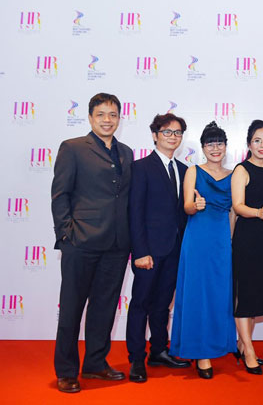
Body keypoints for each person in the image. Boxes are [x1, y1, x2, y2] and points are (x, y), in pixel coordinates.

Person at [51, 93, 133, 393]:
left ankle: (96, 363)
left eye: (113, 114)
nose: (107, 120)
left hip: (117, 244)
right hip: (81, 242)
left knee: (105, 308)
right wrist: (66, 235)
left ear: (119, 118)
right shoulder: (72, 148)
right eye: (101, 114)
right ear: (90, 118)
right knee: (72, 310)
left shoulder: (126, 152)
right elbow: (60, 195)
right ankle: (66, 370)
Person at [126, 113, 191, 383]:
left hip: (175, 249)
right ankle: (136, 359)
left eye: (177, 133)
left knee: (163, 304)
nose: (172, 137)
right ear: (155, 135)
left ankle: (159, 351)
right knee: (141, 304)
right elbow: (135, 212)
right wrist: (140, 251)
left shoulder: (185, 170)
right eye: (167, 132)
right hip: (149, 251)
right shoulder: (141, 167)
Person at [169, 122, 237, 379]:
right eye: (210, 144)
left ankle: (219, 344)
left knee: (219, 294)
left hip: (221, 241)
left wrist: (229, 240)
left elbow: (233, 211)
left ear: (226, 147)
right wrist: (195, 205)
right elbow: (186, 206)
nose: (215, 148)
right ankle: (200, 353)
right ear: (203, 147)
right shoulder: (193, 171)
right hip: (197, 238)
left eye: (219, 143)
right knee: (197, 294)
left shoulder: (233, 174)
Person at [231, 120, 263, 375]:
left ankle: (242, 345)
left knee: (257, 295)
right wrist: (258, 212)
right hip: (247, 240)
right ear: (249, 144)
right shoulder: (242, 169)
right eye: (257, 140)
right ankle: (249, 350)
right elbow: (237, 205)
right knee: (245, 297)